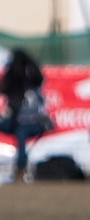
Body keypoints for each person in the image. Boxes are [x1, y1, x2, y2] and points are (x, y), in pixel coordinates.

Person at [0, 50, 52, 182]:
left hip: (33, 124)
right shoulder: (12, 85)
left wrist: (28, 68)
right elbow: (4, 88)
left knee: (21, 133)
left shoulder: (33, 84)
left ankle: (20, 169)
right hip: (14, 123)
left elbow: (38, 79)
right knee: (18, 130)